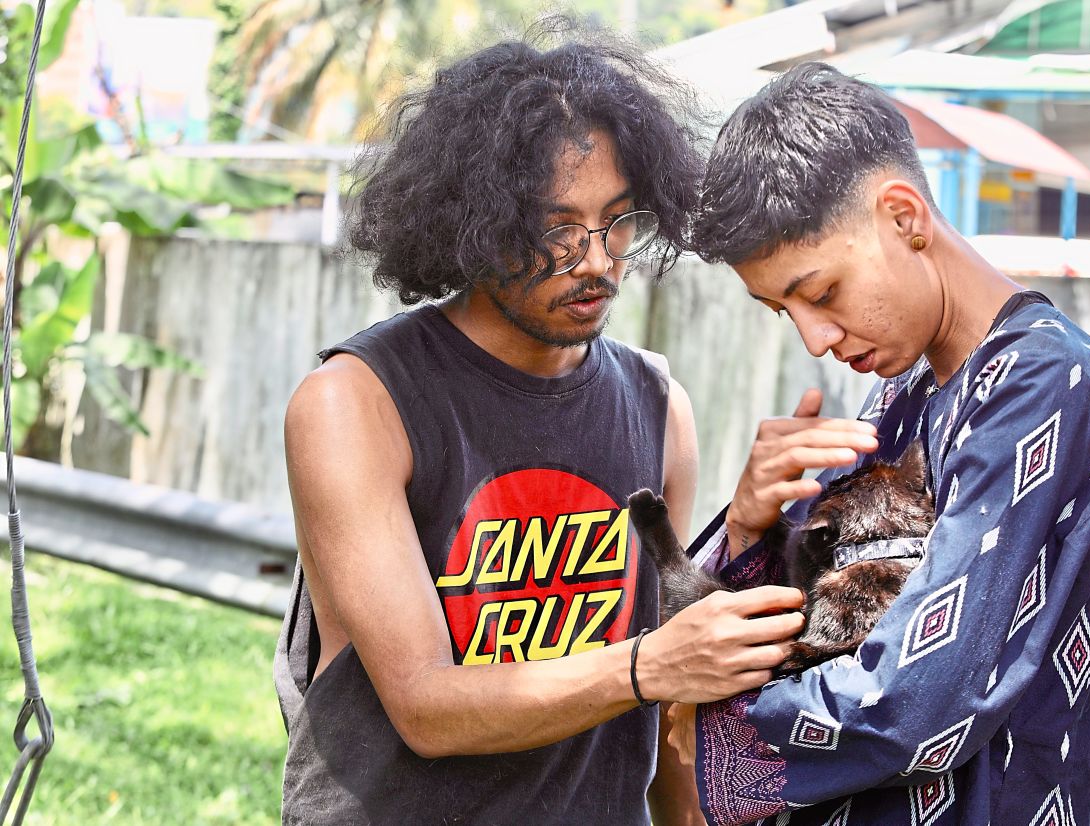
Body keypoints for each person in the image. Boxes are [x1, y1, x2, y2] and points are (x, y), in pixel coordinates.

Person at [272, 30, 822, 826]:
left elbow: (676, 699)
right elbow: (424, 707)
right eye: (555, 227)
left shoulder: (657, 403)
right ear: (477, 222)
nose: (595, 260)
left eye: (617, 220)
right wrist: (646, 666)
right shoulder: (357, 403)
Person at [667, 63, 1090, 826]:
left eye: (822, 293)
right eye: (780, 311)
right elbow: (821, 629)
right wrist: (752, 524)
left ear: (904, 216)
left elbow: (919, 700)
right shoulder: (899, 394)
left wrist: (709, 728)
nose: (817, 338)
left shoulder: (1052, 384)